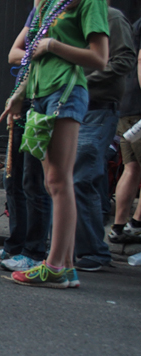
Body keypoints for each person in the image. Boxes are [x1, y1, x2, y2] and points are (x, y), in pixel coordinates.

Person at [0, 0, 109, 288]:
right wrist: (20, 93)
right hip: (40, 95)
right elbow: (30, 58)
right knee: (53, 182)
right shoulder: (47, 4)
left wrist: (52, 46)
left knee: (59, 182)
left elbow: (100, 58)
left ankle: (55, 265)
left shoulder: (88, 2)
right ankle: (67, 267)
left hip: (66, 91)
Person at [0, 2, 53, 273]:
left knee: (34, 181)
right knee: (12, 179)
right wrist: (38, 52)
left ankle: (35, 251)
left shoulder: (59, 12)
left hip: (43, 99)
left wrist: (42, 50)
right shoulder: (36, 12)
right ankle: (15, 245)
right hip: (21, 102)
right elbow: (13, 53)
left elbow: (27, 54)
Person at [73, 2, 135, 272]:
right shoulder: (71, 18)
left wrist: (84, 80)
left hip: (97, 109)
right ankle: (79, 248)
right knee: (79, 179)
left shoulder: (112, 17)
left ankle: (94, 252)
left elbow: (124, 59)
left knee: (80, 178)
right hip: (70, 107)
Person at [109, 17, 141, 244]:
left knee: (131, 168)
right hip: (137, 107)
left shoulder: (135, 24)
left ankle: (118, 227)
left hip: (126, 103)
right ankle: (136, 225)